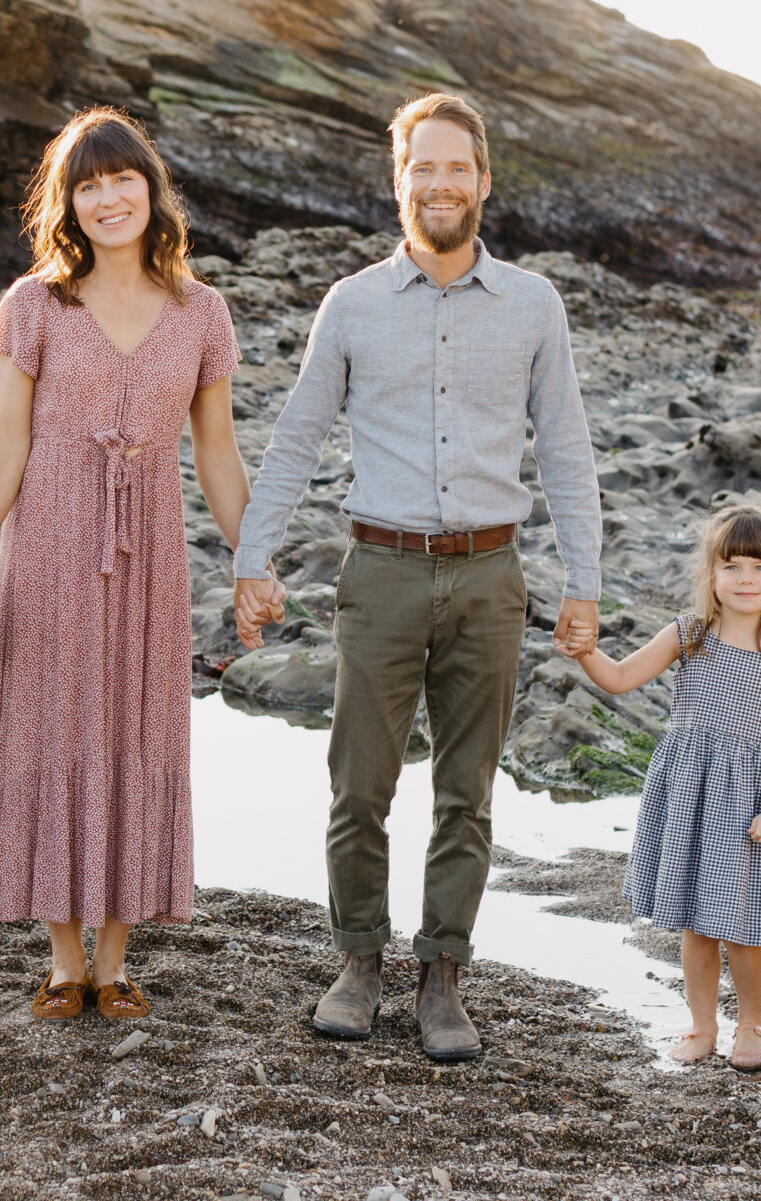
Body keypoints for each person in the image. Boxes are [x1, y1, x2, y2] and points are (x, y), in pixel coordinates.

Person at [232, 91, 602, 1063]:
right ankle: (359, 964)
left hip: (491, 577)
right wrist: (250, 557)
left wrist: (584, 583)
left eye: (456, 168)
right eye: (421, 168)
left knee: (467, 792)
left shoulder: (533, 305)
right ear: (399, 182)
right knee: (358, 786)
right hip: (383, 571)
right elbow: (298, 436)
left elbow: (565, 448)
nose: (439, 184)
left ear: (482, 181)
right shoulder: (351, 304)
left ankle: (443, 978)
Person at [0, 106, 252, 1022]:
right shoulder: (32, 305)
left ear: (152, 189)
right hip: (45, 544)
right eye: (88, 185)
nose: (109, 197)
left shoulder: (203, 311)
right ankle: (63, 958)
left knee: (137, 731)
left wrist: (255, 560)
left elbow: (219, 455)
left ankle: (116, 962)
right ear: (68, 204)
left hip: (151, 552)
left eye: (123, 179)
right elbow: (7, 442)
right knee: (49, 729)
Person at [566, 499, 761, 1072]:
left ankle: (751, 1023)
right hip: (690, 795)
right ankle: (703, 1026)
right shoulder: (689, 636)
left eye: (759, 567)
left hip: (749, 802)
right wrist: (586, 652)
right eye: (732, 566)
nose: (746, 579)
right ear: (711, 575)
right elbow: (622, 677)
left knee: (742, 925)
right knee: (695, 923)